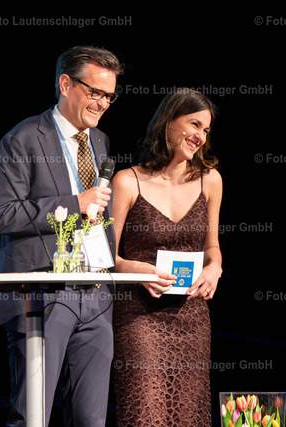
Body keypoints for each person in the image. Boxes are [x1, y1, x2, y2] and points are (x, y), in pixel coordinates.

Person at [0, 45, 124, 426]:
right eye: (95, 92)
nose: (103, 103)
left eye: (109, 96)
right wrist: (74, 203)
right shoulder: (24, 138)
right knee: (33, 416)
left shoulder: (100, 141)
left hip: (95, 295)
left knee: (91, 419)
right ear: (66, 84)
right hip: (42, 296)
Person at [111, 88, 223, 425]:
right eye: (194, 124)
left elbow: (212, 247)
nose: (200, 136)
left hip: (192, 317)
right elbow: (105, 256)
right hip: (139, 316)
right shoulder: (127, 181)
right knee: (146, 412)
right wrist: (135, 269)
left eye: (206, 130)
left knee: (187, 413)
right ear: (168, 121)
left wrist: (215, 268)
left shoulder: (210, 181)